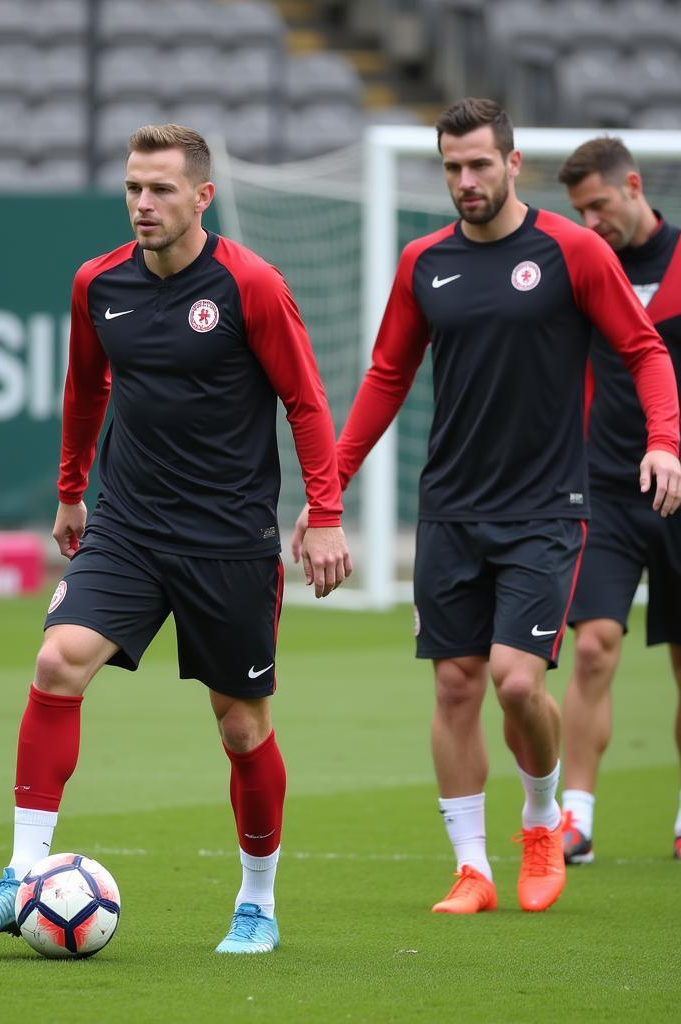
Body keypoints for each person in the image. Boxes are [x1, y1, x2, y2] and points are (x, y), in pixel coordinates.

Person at [0, 124, 350, 955]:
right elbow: (83, 389)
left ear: (202, 197)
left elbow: (306, 403)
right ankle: (22, 874)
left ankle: (258, 902)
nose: (143, 203)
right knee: (58, 662)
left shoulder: (252, 285)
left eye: (161, 189)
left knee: (241, 729)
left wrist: (328, 513)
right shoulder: (97, 283)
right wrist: (70, 492)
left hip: (228, 541)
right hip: (128, 526)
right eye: (134, 187)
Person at [292, 98, 681, 914]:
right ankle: (472, 868)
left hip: (548, 507)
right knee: (456, 688)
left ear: (512, 164)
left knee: (513, 683)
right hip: (450, 508)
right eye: (451, 168)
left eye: (478, 165)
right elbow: (387, 377)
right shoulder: (423, 263)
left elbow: (644, 349)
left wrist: (663, 440)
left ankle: (543, 820)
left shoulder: (572, 250)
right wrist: (331, 487)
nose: (464, 182)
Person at [555, 137, 681, 864]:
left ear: (632, 186)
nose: (590, 221)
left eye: (598, 205)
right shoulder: (579, 266)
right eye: (578, 211)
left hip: (680, 488)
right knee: (595, 645)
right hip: (602, 486)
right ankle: (577, 817)